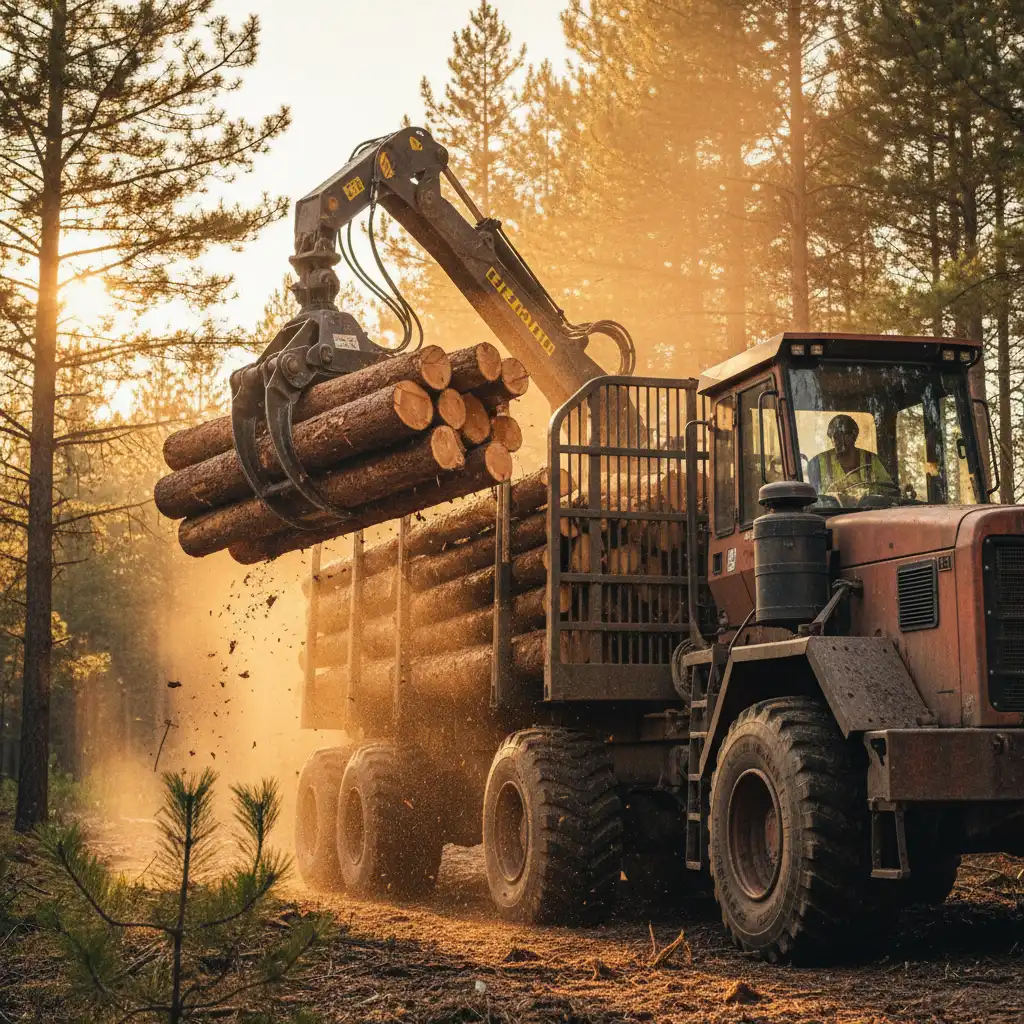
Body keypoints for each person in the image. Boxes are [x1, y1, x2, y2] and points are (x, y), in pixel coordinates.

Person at [806, 414, 893, 502]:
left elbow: (889, 490)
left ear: (854, 436)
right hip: (830, 513)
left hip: (870, 511)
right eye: (835, 436)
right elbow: (812, 500)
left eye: (844, 434)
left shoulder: (870, 459)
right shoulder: (817, 463)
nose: (840, 440)